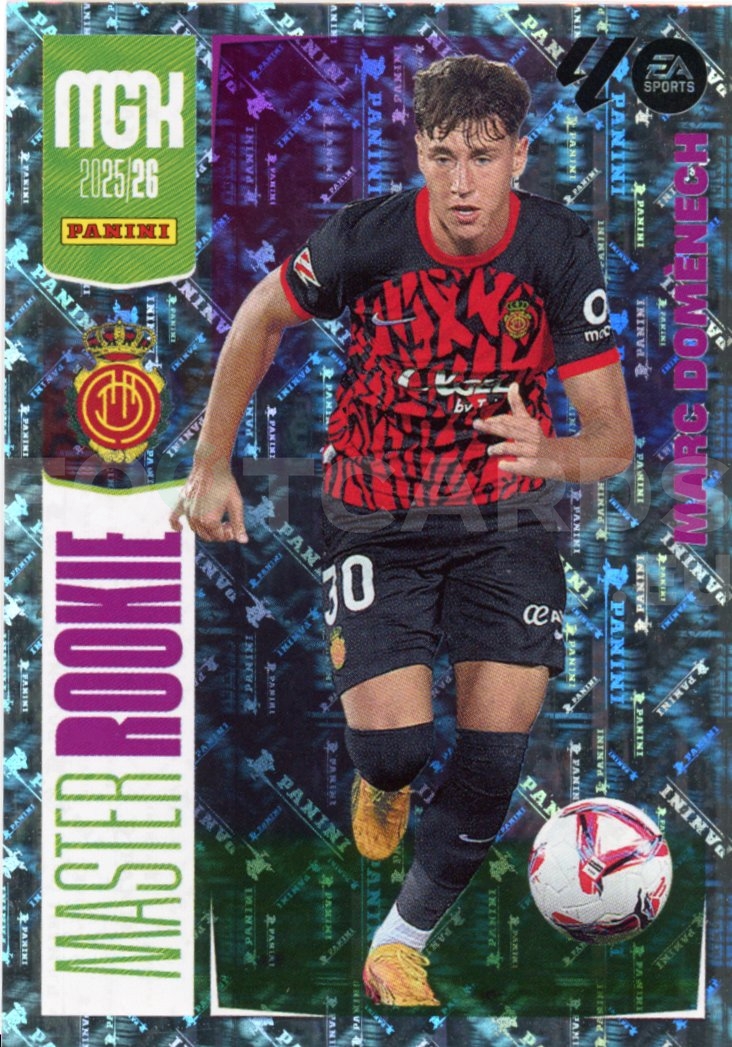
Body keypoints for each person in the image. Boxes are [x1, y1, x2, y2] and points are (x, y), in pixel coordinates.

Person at [171, 55, 634, 1007]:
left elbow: (613, 442)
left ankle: (400, 942)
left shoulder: (557, 248)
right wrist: (211, 465)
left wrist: (551, 453)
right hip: (377, 512)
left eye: (483, 157)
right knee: (395, 750)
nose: (461, 183)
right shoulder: (367, 238)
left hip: (505, 514)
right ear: (418, 153)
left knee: (495, 754)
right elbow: (259, 316)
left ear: (520, 156)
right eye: (442, 156)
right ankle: (381, 777)